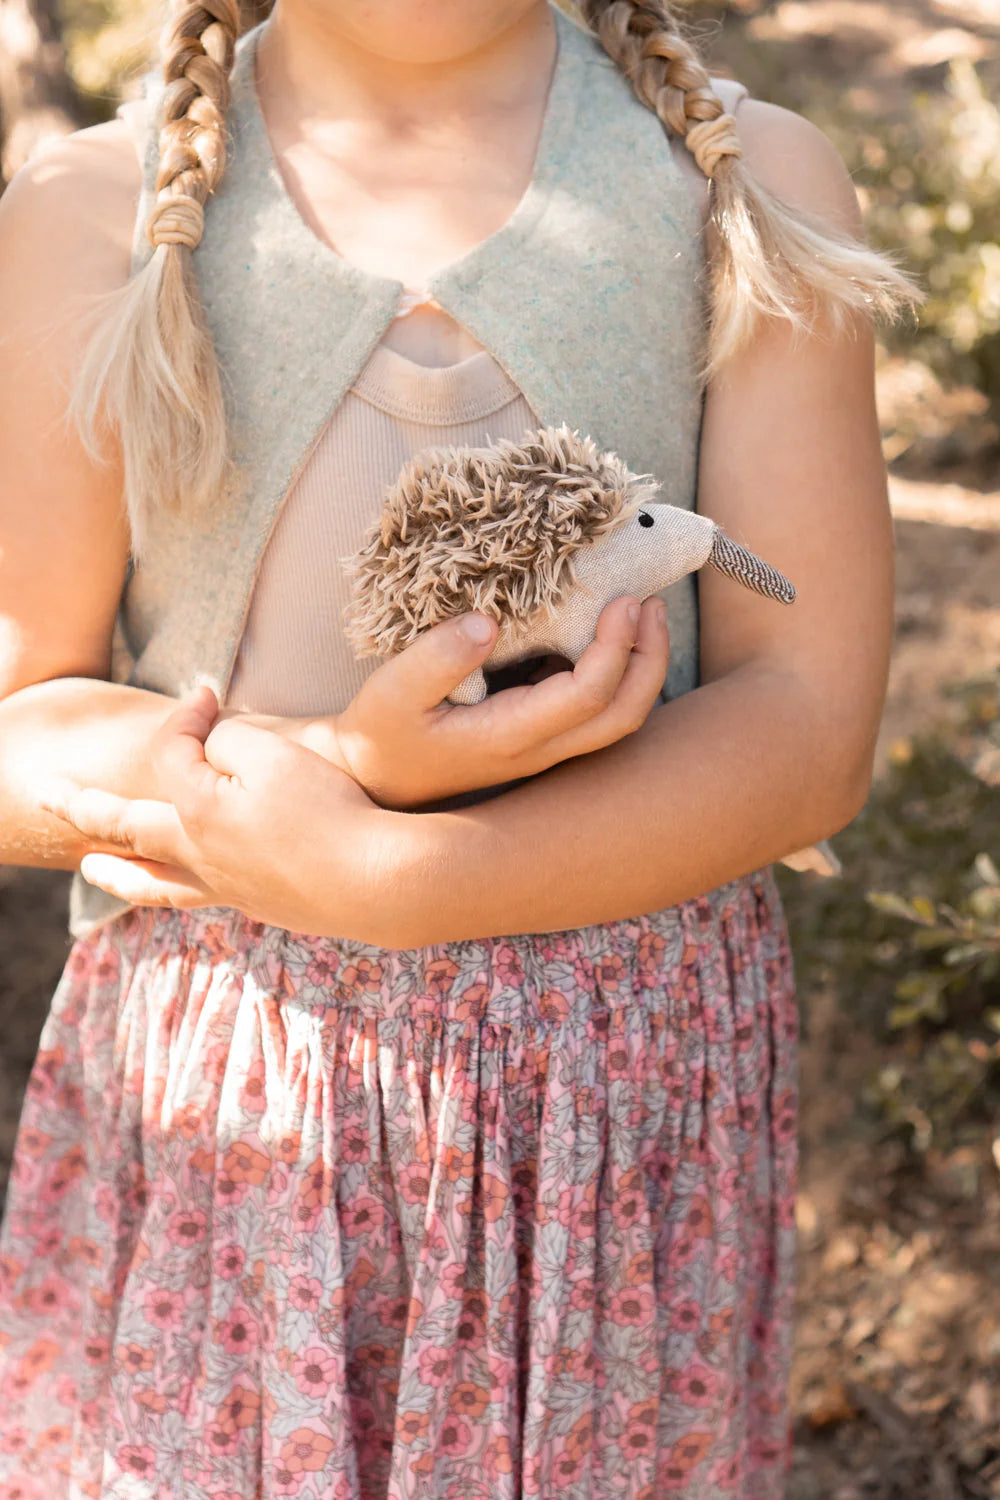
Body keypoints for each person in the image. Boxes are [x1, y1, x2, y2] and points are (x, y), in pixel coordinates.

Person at [0, 0, 916, 1493]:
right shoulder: (88, 211)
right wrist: (333, 787)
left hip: (617, 1116)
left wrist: (407, 886)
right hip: (243, 1119)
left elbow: (810, 725)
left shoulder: (747, 185)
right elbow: (18, 715)